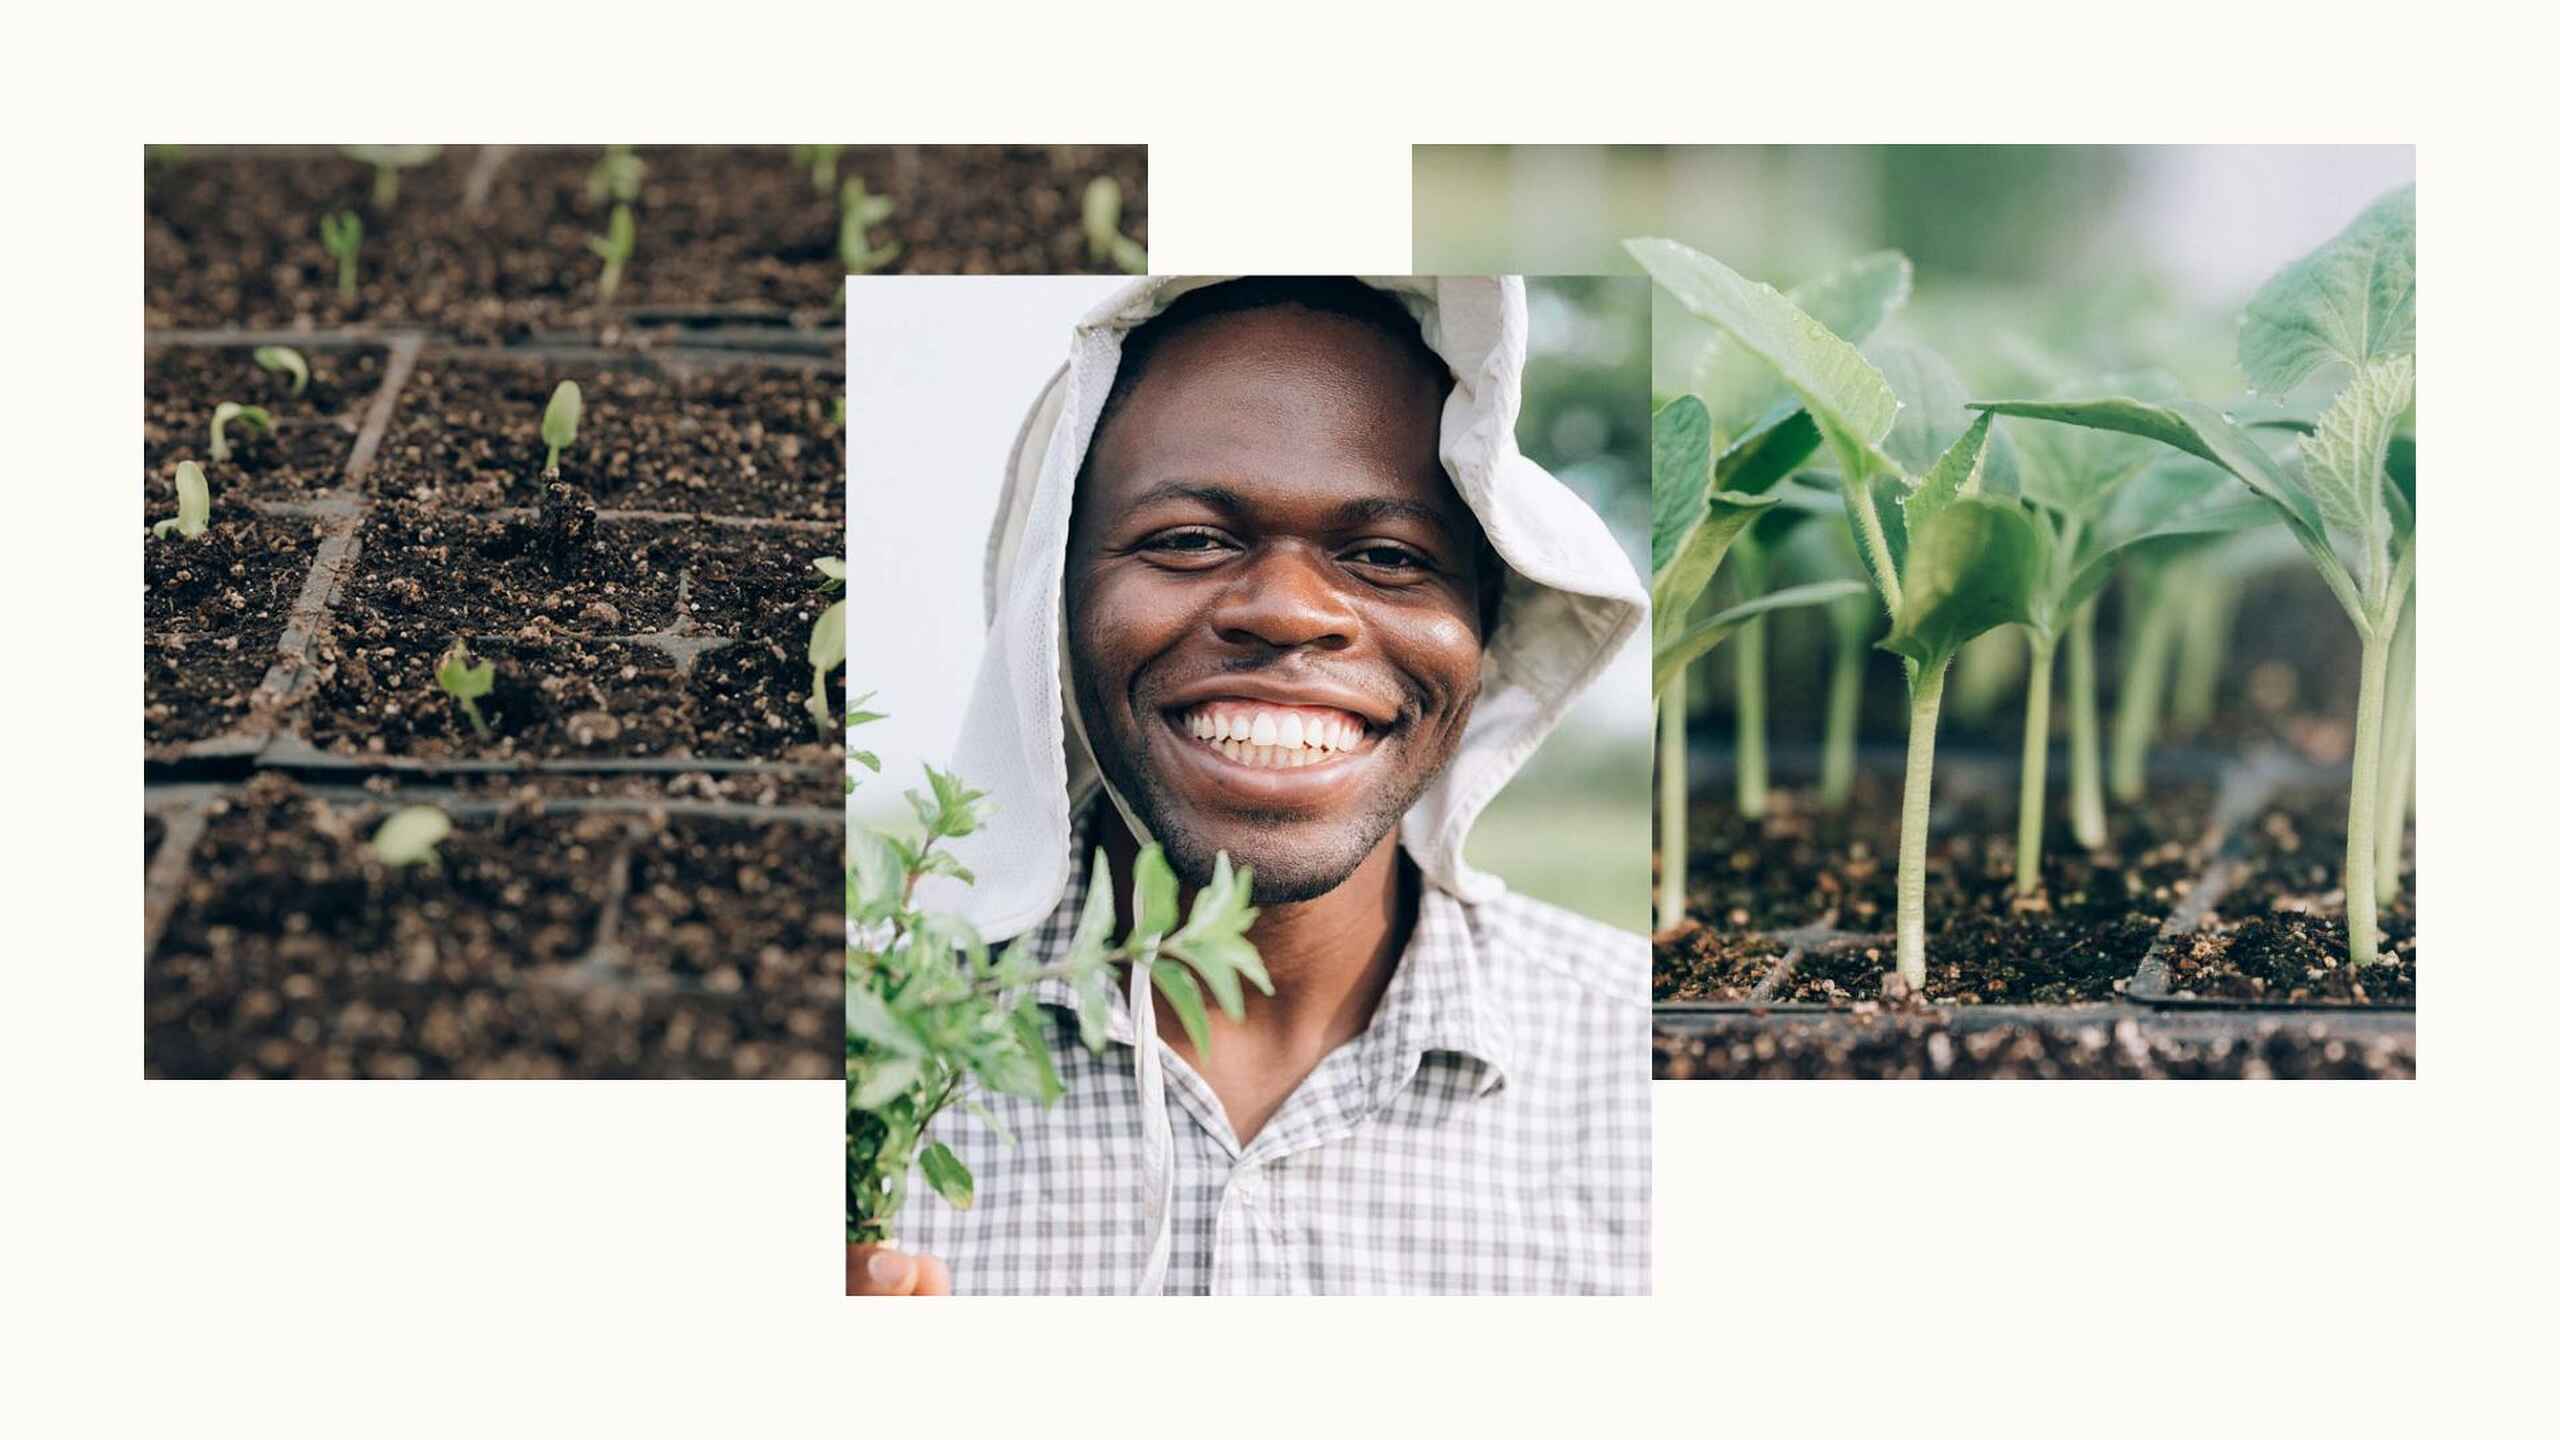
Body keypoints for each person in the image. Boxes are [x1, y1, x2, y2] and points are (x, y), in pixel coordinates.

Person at [850, 276, 1649, 1295]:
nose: (1285, 611)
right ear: (1050, 607)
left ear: (1483, 636)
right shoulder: (862, 1039)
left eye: (1387, 557)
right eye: (1189, 539)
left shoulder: (1634, 1065)